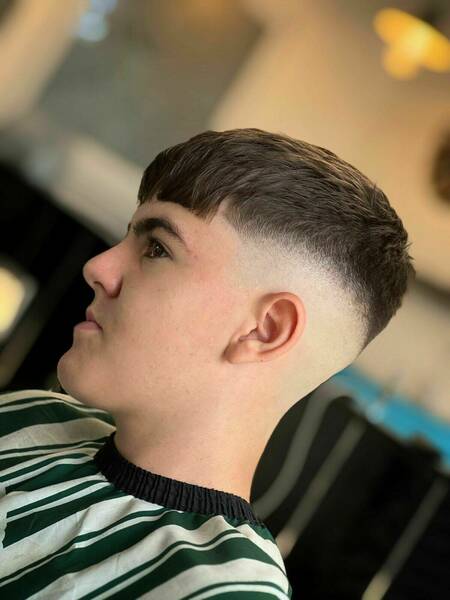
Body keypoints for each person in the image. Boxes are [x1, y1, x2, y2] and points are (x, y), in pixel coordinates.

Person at [0, 128, 415, 598]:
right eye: (128, 235)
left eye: (157, 248)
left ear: (264, 330)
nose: (98, 267)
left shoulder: (220, 590)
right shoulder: (29, 417)